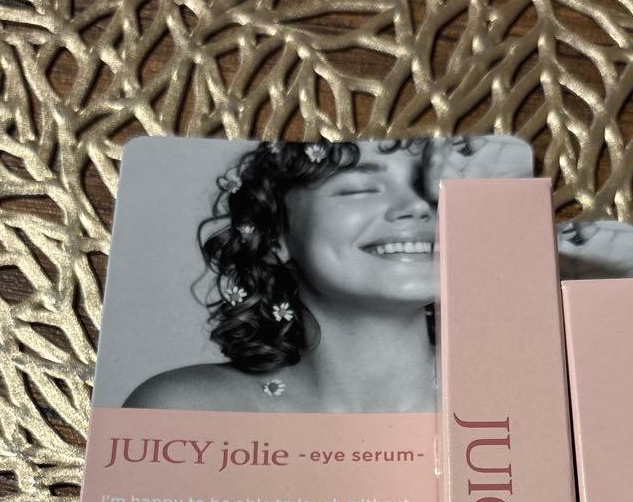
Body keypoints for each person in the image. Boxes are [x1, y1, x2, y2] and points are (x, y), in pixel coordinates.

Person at [125, 138, 503, 413]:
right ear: (275, 235)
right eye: (359, 188)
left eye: (436, 188)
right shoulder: (182, 411)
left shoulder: (514, 396)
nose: (418, 207)